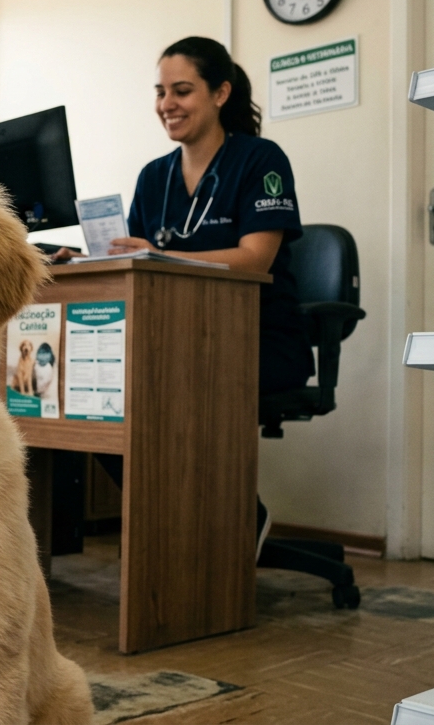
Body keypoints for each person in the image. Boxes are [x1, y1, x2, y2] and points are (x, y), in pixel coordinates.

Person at [110, 37, 315, 558]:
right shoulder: (153, 177)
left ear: (221, 93)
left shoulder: (260, 160)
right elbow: (137, 266)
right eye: (160, 92)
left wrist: (162, 254)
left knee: (160, 387)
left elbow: (256, 258)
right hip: (177, 341)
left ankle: (236, 516)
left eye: (182, 91)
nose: (167, 104)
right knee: (101, 397)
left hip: (259, 340)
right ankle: (187, 520)